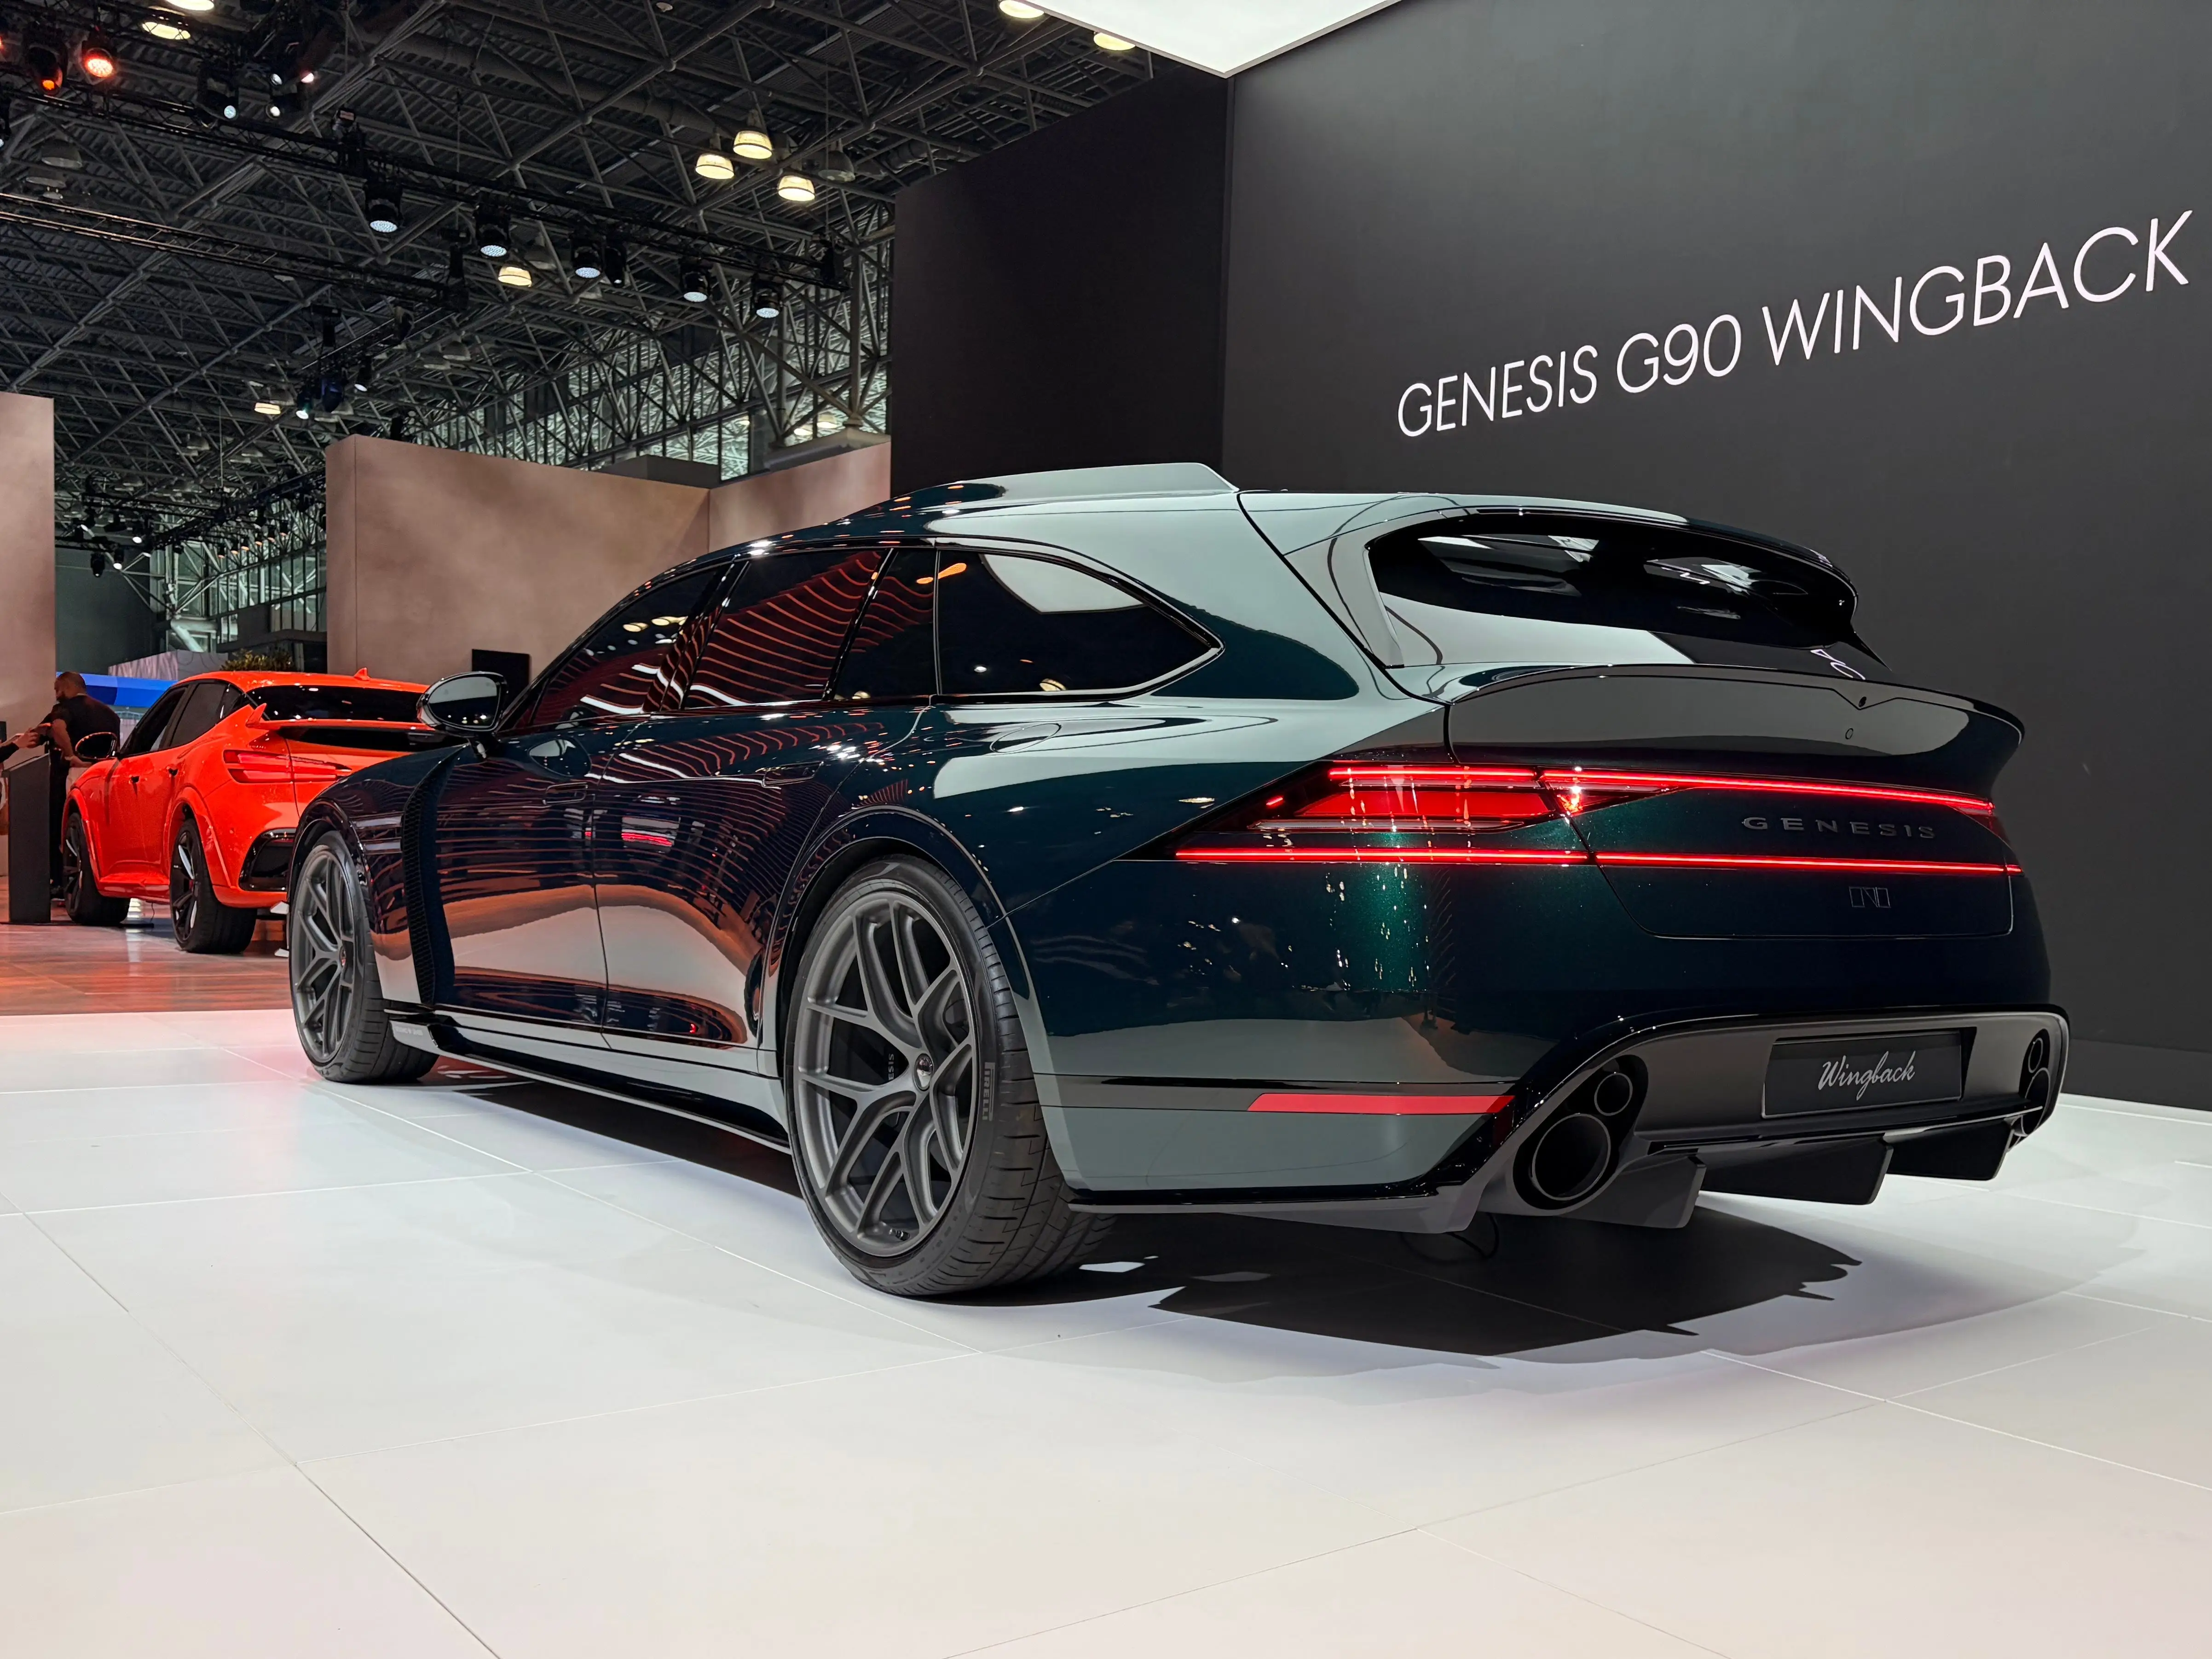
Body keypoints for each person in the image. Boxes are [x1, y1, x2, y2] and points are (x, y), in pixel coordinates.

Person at [8, 673, 122, 894]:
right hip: (101, 777)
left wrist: (70, 755)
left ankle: (62, 882)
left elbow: (56, 728)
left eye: (57, 689)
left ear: (65, 687)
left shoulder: (63, 709)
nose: (56, 694)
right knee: (94, 829)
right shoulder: (110, 714)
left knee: (61, 827)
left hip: (69, 778)